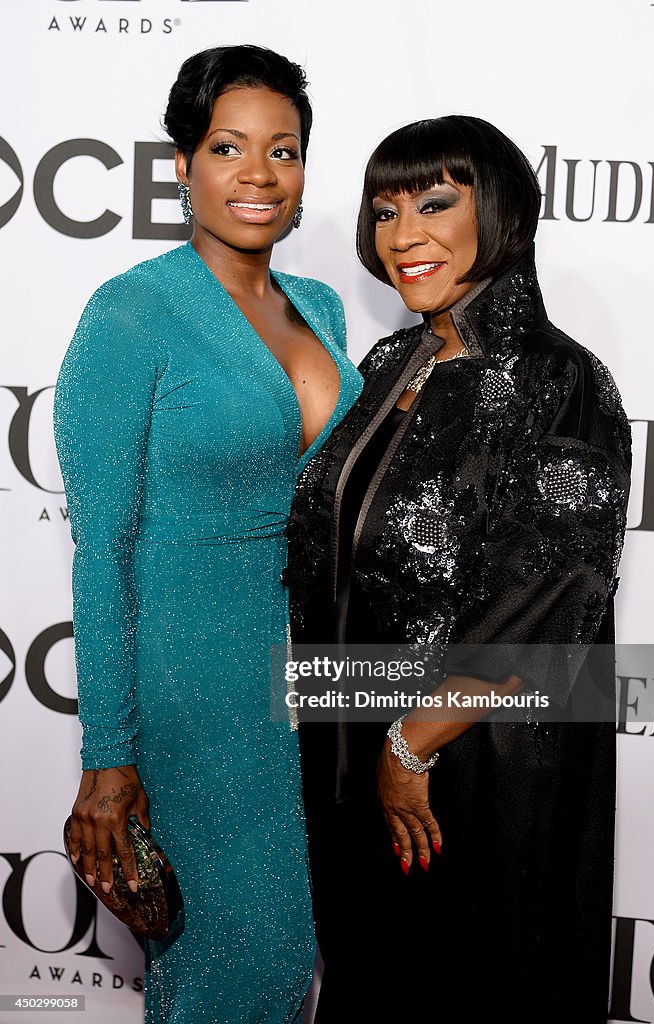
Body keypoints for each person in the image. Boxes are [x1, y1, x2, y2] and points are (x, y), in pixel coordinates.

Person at [287, 115, 631, 1023]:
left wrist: (412, 744)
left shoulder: (558, 379)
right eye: (385, 211)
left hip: (468, 772)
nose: (405, 236)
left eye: (435, 203)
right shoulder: (392, 360)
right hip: (354, 754)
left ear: (501, 209)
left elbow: (549, 601)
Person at [53, 44, 363, 1024]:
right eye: (229, 147)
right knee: (244, 962)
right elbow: (100, 548)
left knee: (298, 960)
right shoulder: (131, 313)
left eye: (284, 149)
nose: (260, 174)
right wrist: (108, 757)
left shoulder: (316, 308)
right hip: (197, 684)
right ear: (181, 164)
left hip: (315, 684)